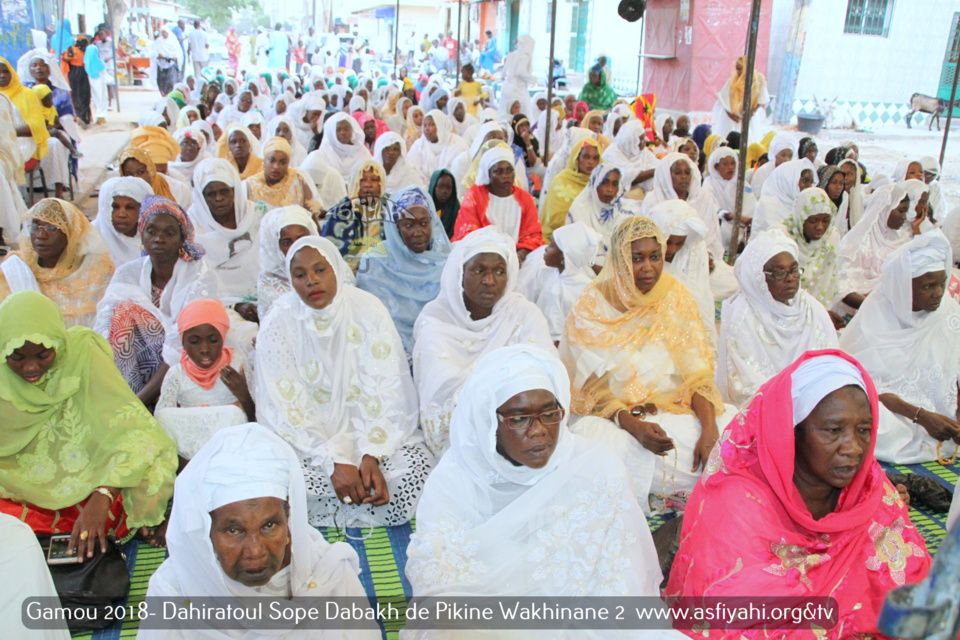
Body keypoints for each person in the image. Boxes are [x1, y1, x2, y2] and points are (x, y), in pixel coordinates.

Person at [666, 350, 931, 637]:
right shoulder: (738, 502)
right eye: (833, 430)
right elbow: (731, 618)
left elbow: (914, 584)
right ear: (791, 431)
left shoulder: (868, 489)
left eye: (863, 430)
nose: (853, 447)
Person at [404, 345, 665, 630]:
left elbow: (621, 585)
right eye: (518, 419)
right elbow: (438, 583)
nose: (539, 430)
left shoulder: (595, 467)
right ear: (489, 422)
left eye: (550, 414)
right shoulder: (455, 478)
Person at [254, 236, 434, 527]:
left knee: (416, 469)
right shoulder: (279, 321)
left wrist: (371, 455)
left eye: (320, 270)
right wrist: (333, 462)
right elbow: (284, 405)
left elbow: (389, 389)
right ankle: (350, 494)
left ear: (336, 268)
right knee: (271, 475)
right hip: (311, 447)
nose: (311, 281)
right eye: (300, 275)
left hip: (372, 438)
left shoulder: (368, 309)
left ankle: (357, 488)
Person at [142, 424, 377, 640]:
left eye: (269, 526)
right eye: (234, 530)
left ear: (289, 516)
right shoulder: (175, 591)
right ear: (207, 531)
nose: (255, 551)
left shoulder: (327, 572)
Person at [559, 217, 735, 501]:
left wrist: (709, 431)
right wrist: (635, 427)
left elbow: (697, 376)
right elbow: (590, 391)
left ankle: (669, 480)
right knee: (593, 447)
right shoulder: (592, 305)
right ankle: (684, 482)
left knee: (734, 428)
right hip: (618, 421)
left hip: (675, 413)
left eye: (654, 257)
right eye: (636, 258)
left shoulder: (675, 296)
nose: (648, 267)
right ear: (618, 259)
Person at [0, 290, 177, 549]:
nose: (31, 368)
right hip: (17, 483)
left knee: (145, 469)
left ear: (58, 344)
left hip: (92, 475)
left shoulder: (82, 355)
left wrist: (102, 497)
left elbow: (129, 432)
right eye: (17, 358)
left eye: (43, 356)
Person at [412, 226, 552, 456]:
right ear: (460, 273)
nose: (489, 280)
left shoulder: (523, 312)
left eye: (499, 271)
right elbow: (443, 392)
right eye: (478, 270)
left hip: (525, 430)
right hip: (467, 438)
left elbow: (546, 370)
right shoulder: (435, 322)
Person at [840, 230, 960, 464]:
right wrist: (921, 416)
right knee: (863, 421)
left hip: (943, 419)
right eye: (928, 287)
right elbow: (864, 390)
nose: (938, 294)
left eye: (941, 283)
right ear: (903, 286)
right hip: (896, 413)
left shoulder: (949, 313)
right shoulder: (876, 316)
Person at [94, 196, 215, 403]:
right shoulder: (127, 273)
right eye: (152, 232)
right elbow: (104, 329)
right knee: (119, 313)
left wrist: (140, 401)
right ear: (142, 236)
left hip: (190, 354)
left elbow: (188, 339)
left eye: (169, 233)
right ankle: (120, 396)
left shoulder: (199, 276)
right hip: (137, 362)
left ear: (182, 239)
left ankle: (139, 401)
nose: (159, 239)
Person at [717, 229, 838, 407]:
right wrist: (792, 399)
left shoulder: (810, 307)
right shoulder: (742, 316)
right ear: (758, 278)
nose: (790, 279)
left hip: (813, 400)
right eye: (779, 273)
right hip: (768, 405)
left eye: (794, 270)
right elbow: (743, 386)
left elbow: (830, 361)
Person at [154, 299, 253, 461]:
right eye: (194, 342)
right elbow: (162, 422)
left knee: (233, 414)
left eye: (213, 341)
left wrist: (244, 396)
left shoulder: (237, 365)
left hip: (231, 450)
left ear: (223, 337)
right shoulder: (176, 374)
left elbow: (256, 420)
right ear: (183, 342)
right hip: (188, 453)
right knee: (163, 416)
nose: (205, 349)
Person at [357, 186, 451, 355]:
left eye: (424, 223)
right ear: (395, 228)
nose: (418, 232)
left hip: (441, 345)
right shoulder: (376, 262)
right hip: (388, 348)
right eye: (409, 225)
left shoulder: (446, 261)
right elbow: (369, 321)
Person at [0, 199, 114, 328]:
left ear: (72, 232)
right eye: (35, 227)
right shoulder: (15, 270)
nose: (41, 235)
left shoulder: (97, 271)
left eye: (52, 228)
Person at [831, 183, 914, 319]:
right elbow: (841, 288)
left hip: (894, 310)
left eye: (906, 211)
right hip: (860, 311)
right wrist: (875, 308)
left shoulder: (903, 241)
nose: (904, 217)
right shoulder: (855, 243)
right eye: (901, 211)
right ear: (884, 210)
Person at [648, 200, 718, 351]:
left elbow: (701, 296)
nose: (672, 249)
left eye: (679, 243)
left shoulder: (696, 250)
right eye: (668, 241)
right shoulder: (643, 252)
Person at [452, 146, 544, 260]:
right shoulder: (474, 196)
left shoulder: (525, 199)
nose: (506, 176)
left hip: (518, 257)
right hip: (482, 256)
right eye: (498, 171)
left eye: (509, 170)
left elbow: (533, 235)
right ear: (488, 174)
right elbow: (469, 235)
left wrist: (519, 256)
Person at [517, 222, 600, 343]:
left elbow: (564, 333)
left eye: (551, 246)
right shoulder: (547, 275)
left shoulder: (580, 288)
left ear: (563, 257)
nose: (545, 249)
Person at [640, 152, 725, 261]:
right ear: (666, 175)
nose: (684, 177)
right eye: (678, 173)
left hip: (698, 256)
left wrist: (703, 256)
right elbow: (646, 237)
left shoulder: (703, 198)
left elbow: (711, 235)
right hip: (663, 258)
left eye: (687, 172)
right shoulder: (654, 199)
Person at [781, 187, 841, 319]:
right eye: (813, 221)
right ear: (801, 217)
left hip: (819, 309)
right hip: (783, 311)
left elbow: (830, 280)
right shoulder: (781, 237)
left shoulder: (831, 238)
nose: (820, 227)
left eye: (826, 221)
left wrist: (820, 314)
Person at [257, 205, 318, 318]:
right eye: (286, 243)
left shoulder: (333, 267)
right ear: (275, 246)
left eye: (301, 239)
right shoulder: (269, 281)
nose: (296, 247)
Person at [566, 163, 631, 266]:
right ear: (595, 183)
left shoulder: (624, 211)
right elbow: (577, 251)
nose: (610, 189)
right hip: (585, 265)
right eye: (605, 183)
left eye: (615, 184)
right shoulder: (579, 209)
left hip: (616, 268)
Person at [539, 138, 601, 241]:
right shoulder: (562, 180)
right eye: (586, 157)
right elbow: (554, 219)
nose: (591, 162)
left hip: (592, 238)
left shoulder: (599, 183)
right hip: (558, 238)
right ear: (577, 158)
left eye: (595, 158)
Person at [245, 136, 322, 214]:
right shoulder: (250, 185)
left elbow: (311, 215)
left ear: (288, 163)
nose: (276, 167)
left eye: (282, 162)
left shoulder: (298, 179)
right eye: (272, 160)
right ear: (264, 160)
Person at [0, 56, 50, 177]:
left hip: (23, 143)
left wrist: (7, 132)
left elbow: (37, 127)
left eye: (5, 71)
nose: (2, 75)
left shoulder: (27, 94)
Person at [92, 176, 154, 267]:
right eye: (115, 207)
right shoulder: (90, 240)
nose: (121, 214)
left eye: (130, 207)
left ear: (143, 209)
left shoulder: (156, 237)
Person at [711, 55, 770, 142]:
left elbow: (761, 99)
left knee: (748, 141)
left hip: (749, 117)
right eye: (737, 68)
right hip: (731, 118)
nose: (737, 72)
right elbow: (723, 100)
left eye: (740, 69)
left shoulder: (759, 80)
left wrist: (750, 113)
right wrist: (731, 115)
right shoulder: (732, 80)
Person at [751, 158, 816, 237]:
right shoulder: (768, 205)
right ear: (789, 180)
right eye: (804, 180)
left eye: (811, 182)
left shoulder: (803, 205)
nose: (808, 186)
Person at [407, 109, 468, 184]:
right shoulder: (419, 145)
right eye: (425, 125)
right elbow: (411, 171)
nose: (427, 129)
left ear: (441, 125)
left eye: (431, 125)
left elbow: (462, 174)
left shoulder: (458, 144)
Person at [119, 146, 192, 207]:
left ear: (150, 170)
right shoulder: (119, 195)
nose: (136, 178)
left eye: (140, 172)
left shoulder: (178, 190)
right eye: (129, 174)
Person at [601, 120, 657, 196]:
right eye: (642, 139)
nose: (645, 142)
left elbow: (656, 163)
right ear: (631, 141)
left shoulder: (642, 151)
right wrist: (656, 170)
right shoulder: (611, 153)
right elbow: (628, 177)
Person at [317, 112, 371, 185]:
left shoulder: (361, 151)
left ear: (352, 130)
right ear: (332, 132)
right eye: (338, 130)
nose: (342, 133)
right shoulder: (325, 151)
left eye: (346, 129)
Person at [373, 131, 425, 195]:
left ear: (400, 152)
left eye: (395, 149)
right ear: (380, 150)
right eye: (387, 148)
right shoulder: (371, 171)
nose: (391, 152)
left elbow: (420, 194)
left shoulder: (409, 172)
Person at [750, 131, 796, 197]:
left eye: (790, 156)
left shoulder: (793, 173)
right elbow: (757, 196)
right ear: (775, 155)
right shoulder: (763, 172)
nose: (787, 159)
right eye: (783, 155)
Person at [499, 35, 536, 117]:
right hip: (518, 90)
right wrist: (532, 79)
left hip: (507, 88)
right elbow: (520, 71)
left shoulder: (511, 54)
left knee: (505, 113)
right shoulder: (524, 57)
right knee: (523, 113)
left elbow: (503, 73)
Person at [150, 26, 183, 96]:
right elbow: (153, 51)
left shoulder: (173, 40)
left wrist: (173, 57)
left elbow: (178, 52)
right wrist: (158, 56)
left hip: (171, 65)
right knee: (162, 83)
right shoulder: (159, 41)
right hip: (161, 65)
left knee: (171, 82)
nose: (164, 34)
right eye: (163, 32)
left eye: (165, 32)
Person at [429, 168, 460, 239]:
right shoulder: (424, 208)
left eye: (448, 188)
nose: (444, 191)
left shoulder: (456, 210)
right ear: (433, 186)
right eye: (440, 187)